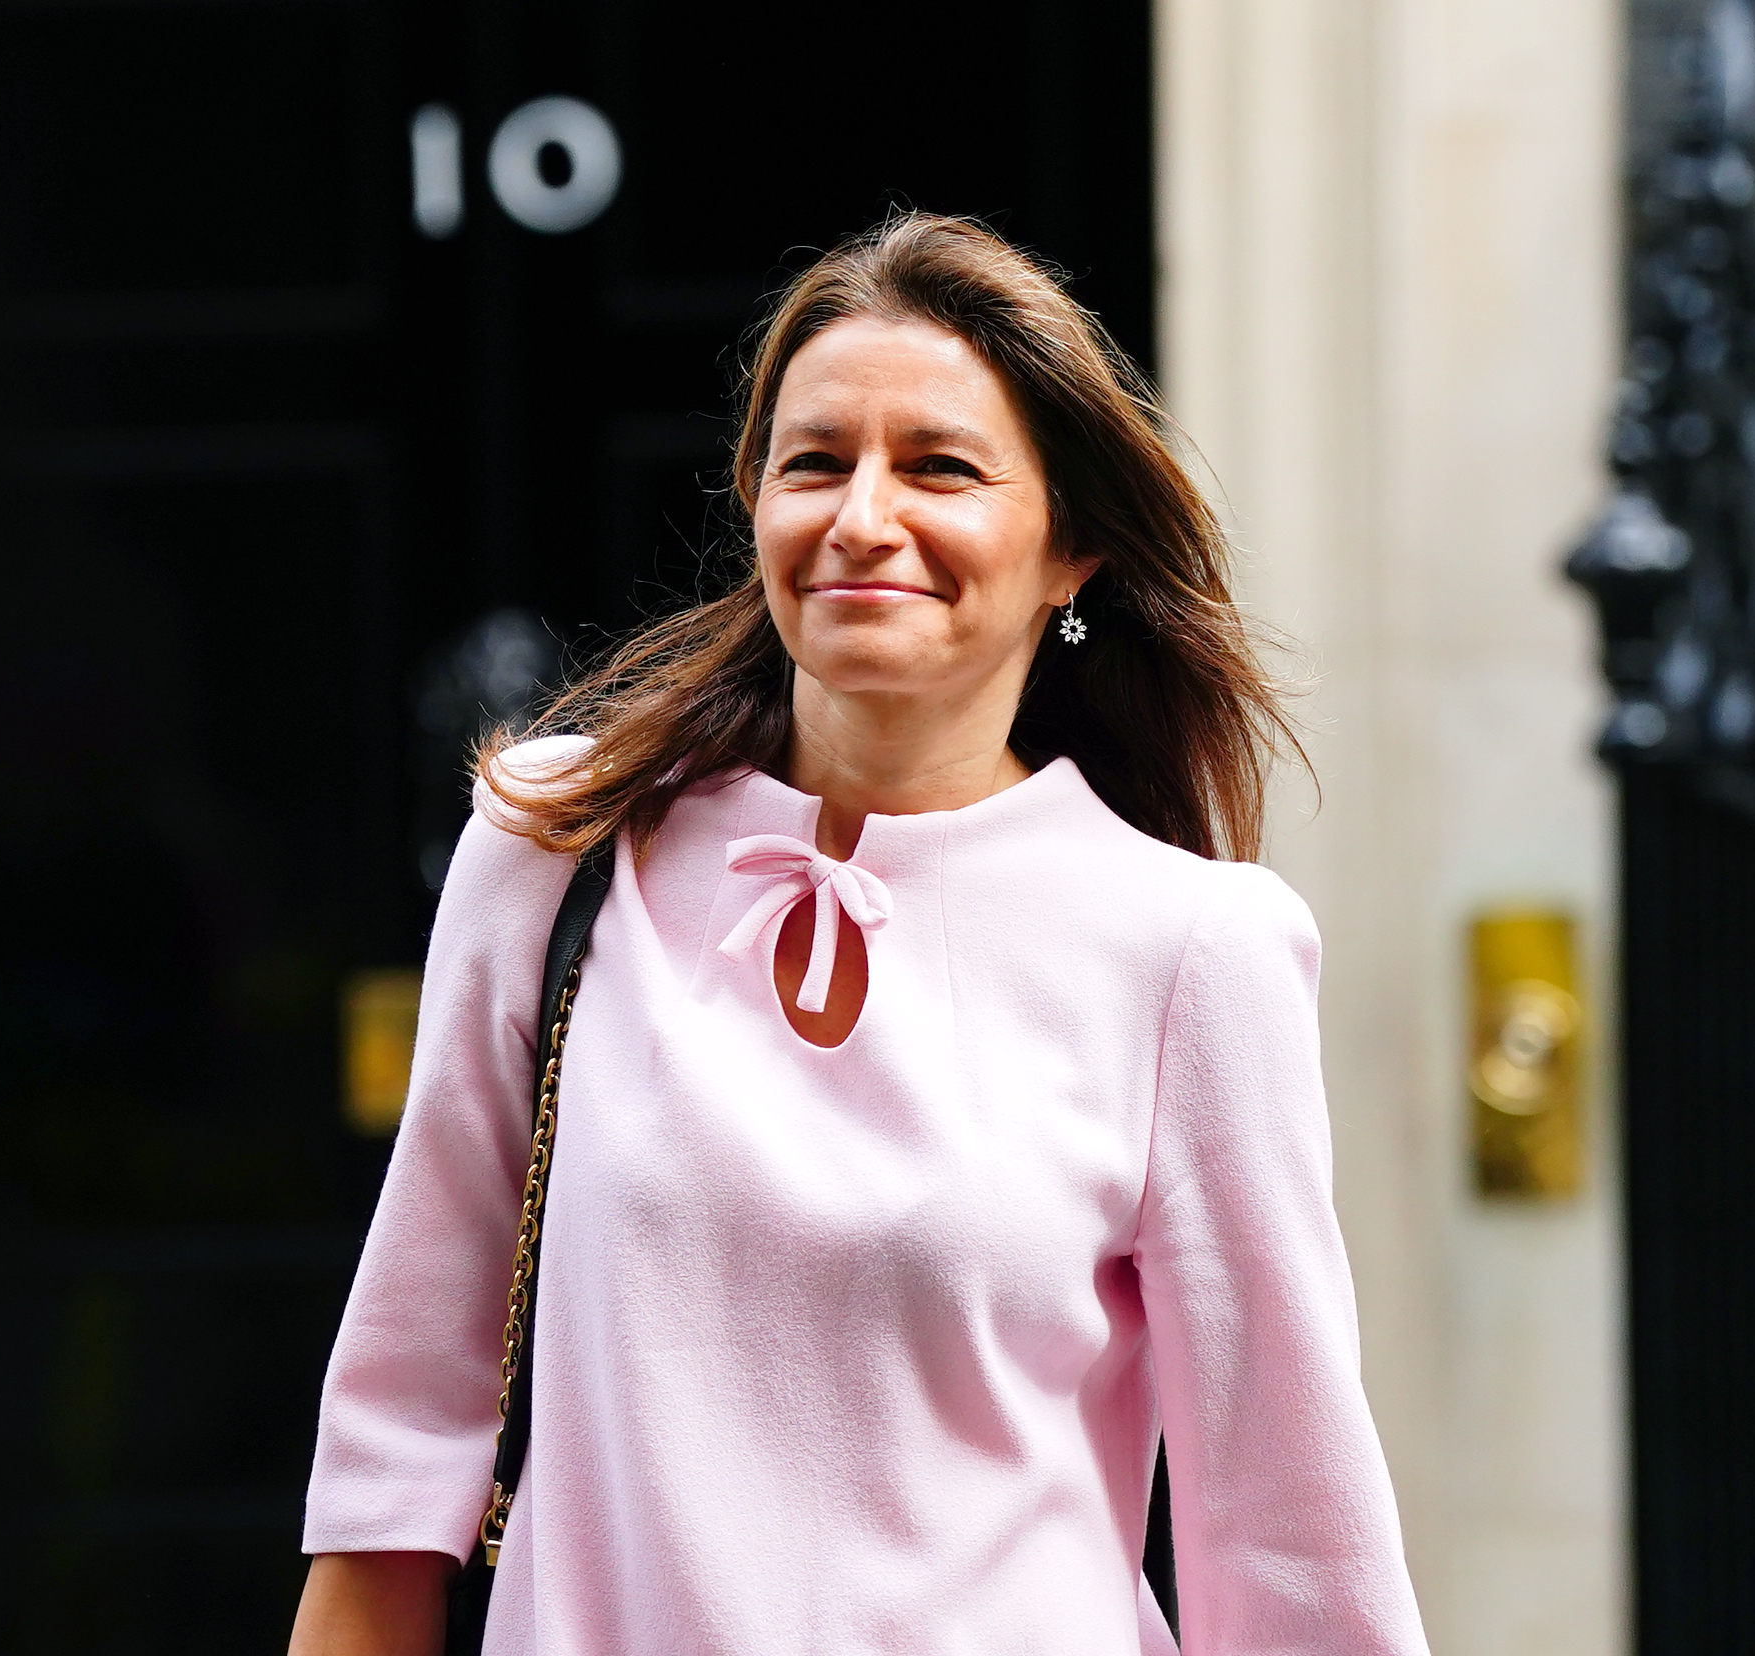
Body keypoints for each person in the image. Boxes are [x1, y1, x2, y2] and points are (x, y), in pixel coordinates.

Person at [289, 213, 1428, 1655]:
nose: (863, 517)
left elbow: (1290, 1545)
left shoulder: (1195, 951)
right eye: (814, 461)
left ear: (1071, 549)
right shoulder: (555, 847)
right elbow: (397, 1445)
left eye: (939, 466)